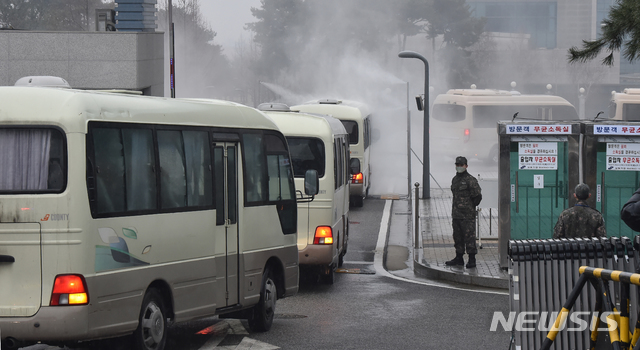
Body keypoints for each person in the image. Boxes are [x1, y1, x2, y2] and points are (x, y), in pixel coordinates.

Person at [445, 156, 482, 269]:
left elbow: (477, 196)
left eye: (461, 165)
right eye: (457, 165)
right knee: (458, 237)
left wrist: (469, 207)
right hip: (456, 214)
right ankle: (459, 258)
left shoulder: (470, 180)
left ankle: (472, 260)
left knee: (469, 237)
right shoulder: (455, 179)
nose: (459, 167)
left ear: (466, 166)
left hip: (467, 216)